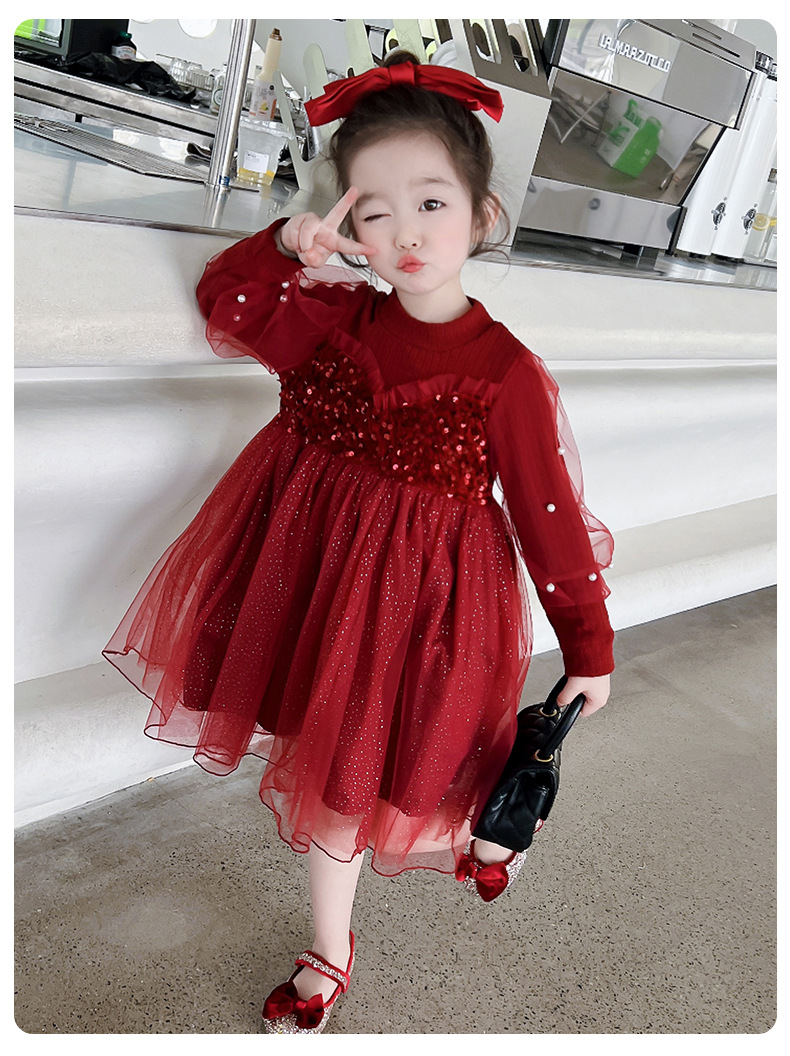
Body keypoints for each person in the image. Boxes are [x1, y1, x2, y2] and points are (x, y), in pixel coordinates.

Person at [103, 51, 614, 1035]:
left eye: (431, 202)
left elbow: (549, 519)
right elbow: (228, 305)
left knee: (402, 760)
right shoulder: (329, 319)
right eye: (373, 212)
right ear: (348, 225)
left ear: (483, 215)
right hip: (308, 574)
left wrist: (588, 649)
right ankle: (332, 946)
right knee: (331, 765)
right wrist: (283, 245)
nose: (405, 232)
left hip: (415, 606)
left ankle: (497, 825)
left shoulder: (506, 374)